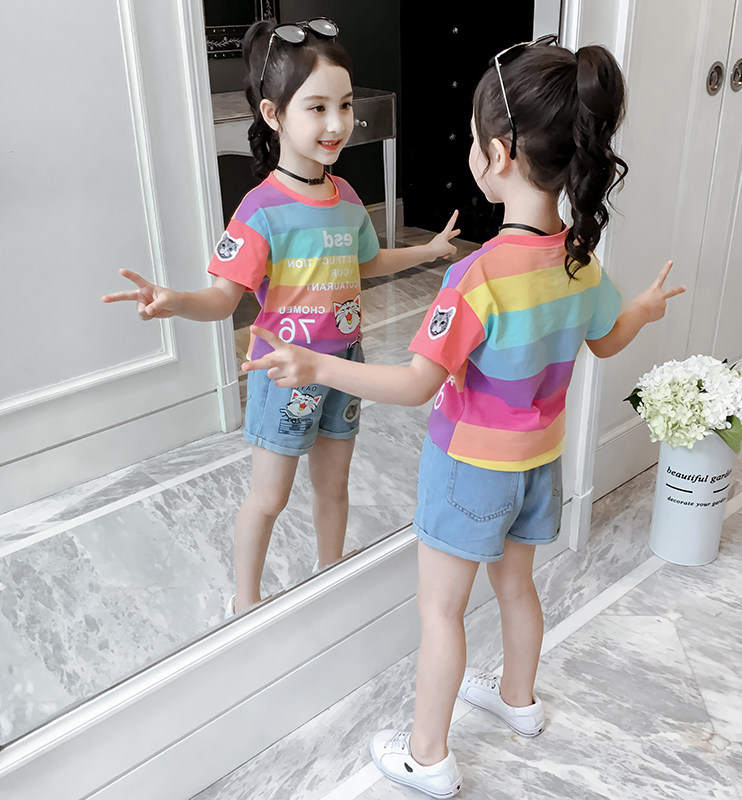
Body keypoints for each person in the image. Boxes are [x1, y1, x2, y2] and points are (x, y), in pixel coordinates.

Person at [242, 35, 686, 798]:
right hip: (538, 466)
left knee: (441, 612)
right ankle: (519, 700)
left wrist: (316, 366)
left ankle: (427, 755)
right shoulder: (580, 260)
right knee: (517, 589)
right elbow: (609, 339)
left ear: (498, 155)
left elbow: (417, 384)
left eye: (475, 141)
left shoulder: (478, 277)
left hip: (469, 472)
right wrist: (642, 307)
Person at [101, 17, 459, 618]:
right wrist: (175, 300)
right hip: (285, 373)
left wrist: (427, 251)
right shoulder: (259, 209)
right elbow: (223, 298)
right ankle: (245, 602)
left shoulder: (347, 198)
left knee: (334, 485)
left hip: (345, 365)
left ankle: (329, 574)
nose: (336, 123)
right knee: (269, 498)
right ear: (274, 114)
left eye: (344, 105)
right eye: (316, 108)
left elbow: (367, 262)